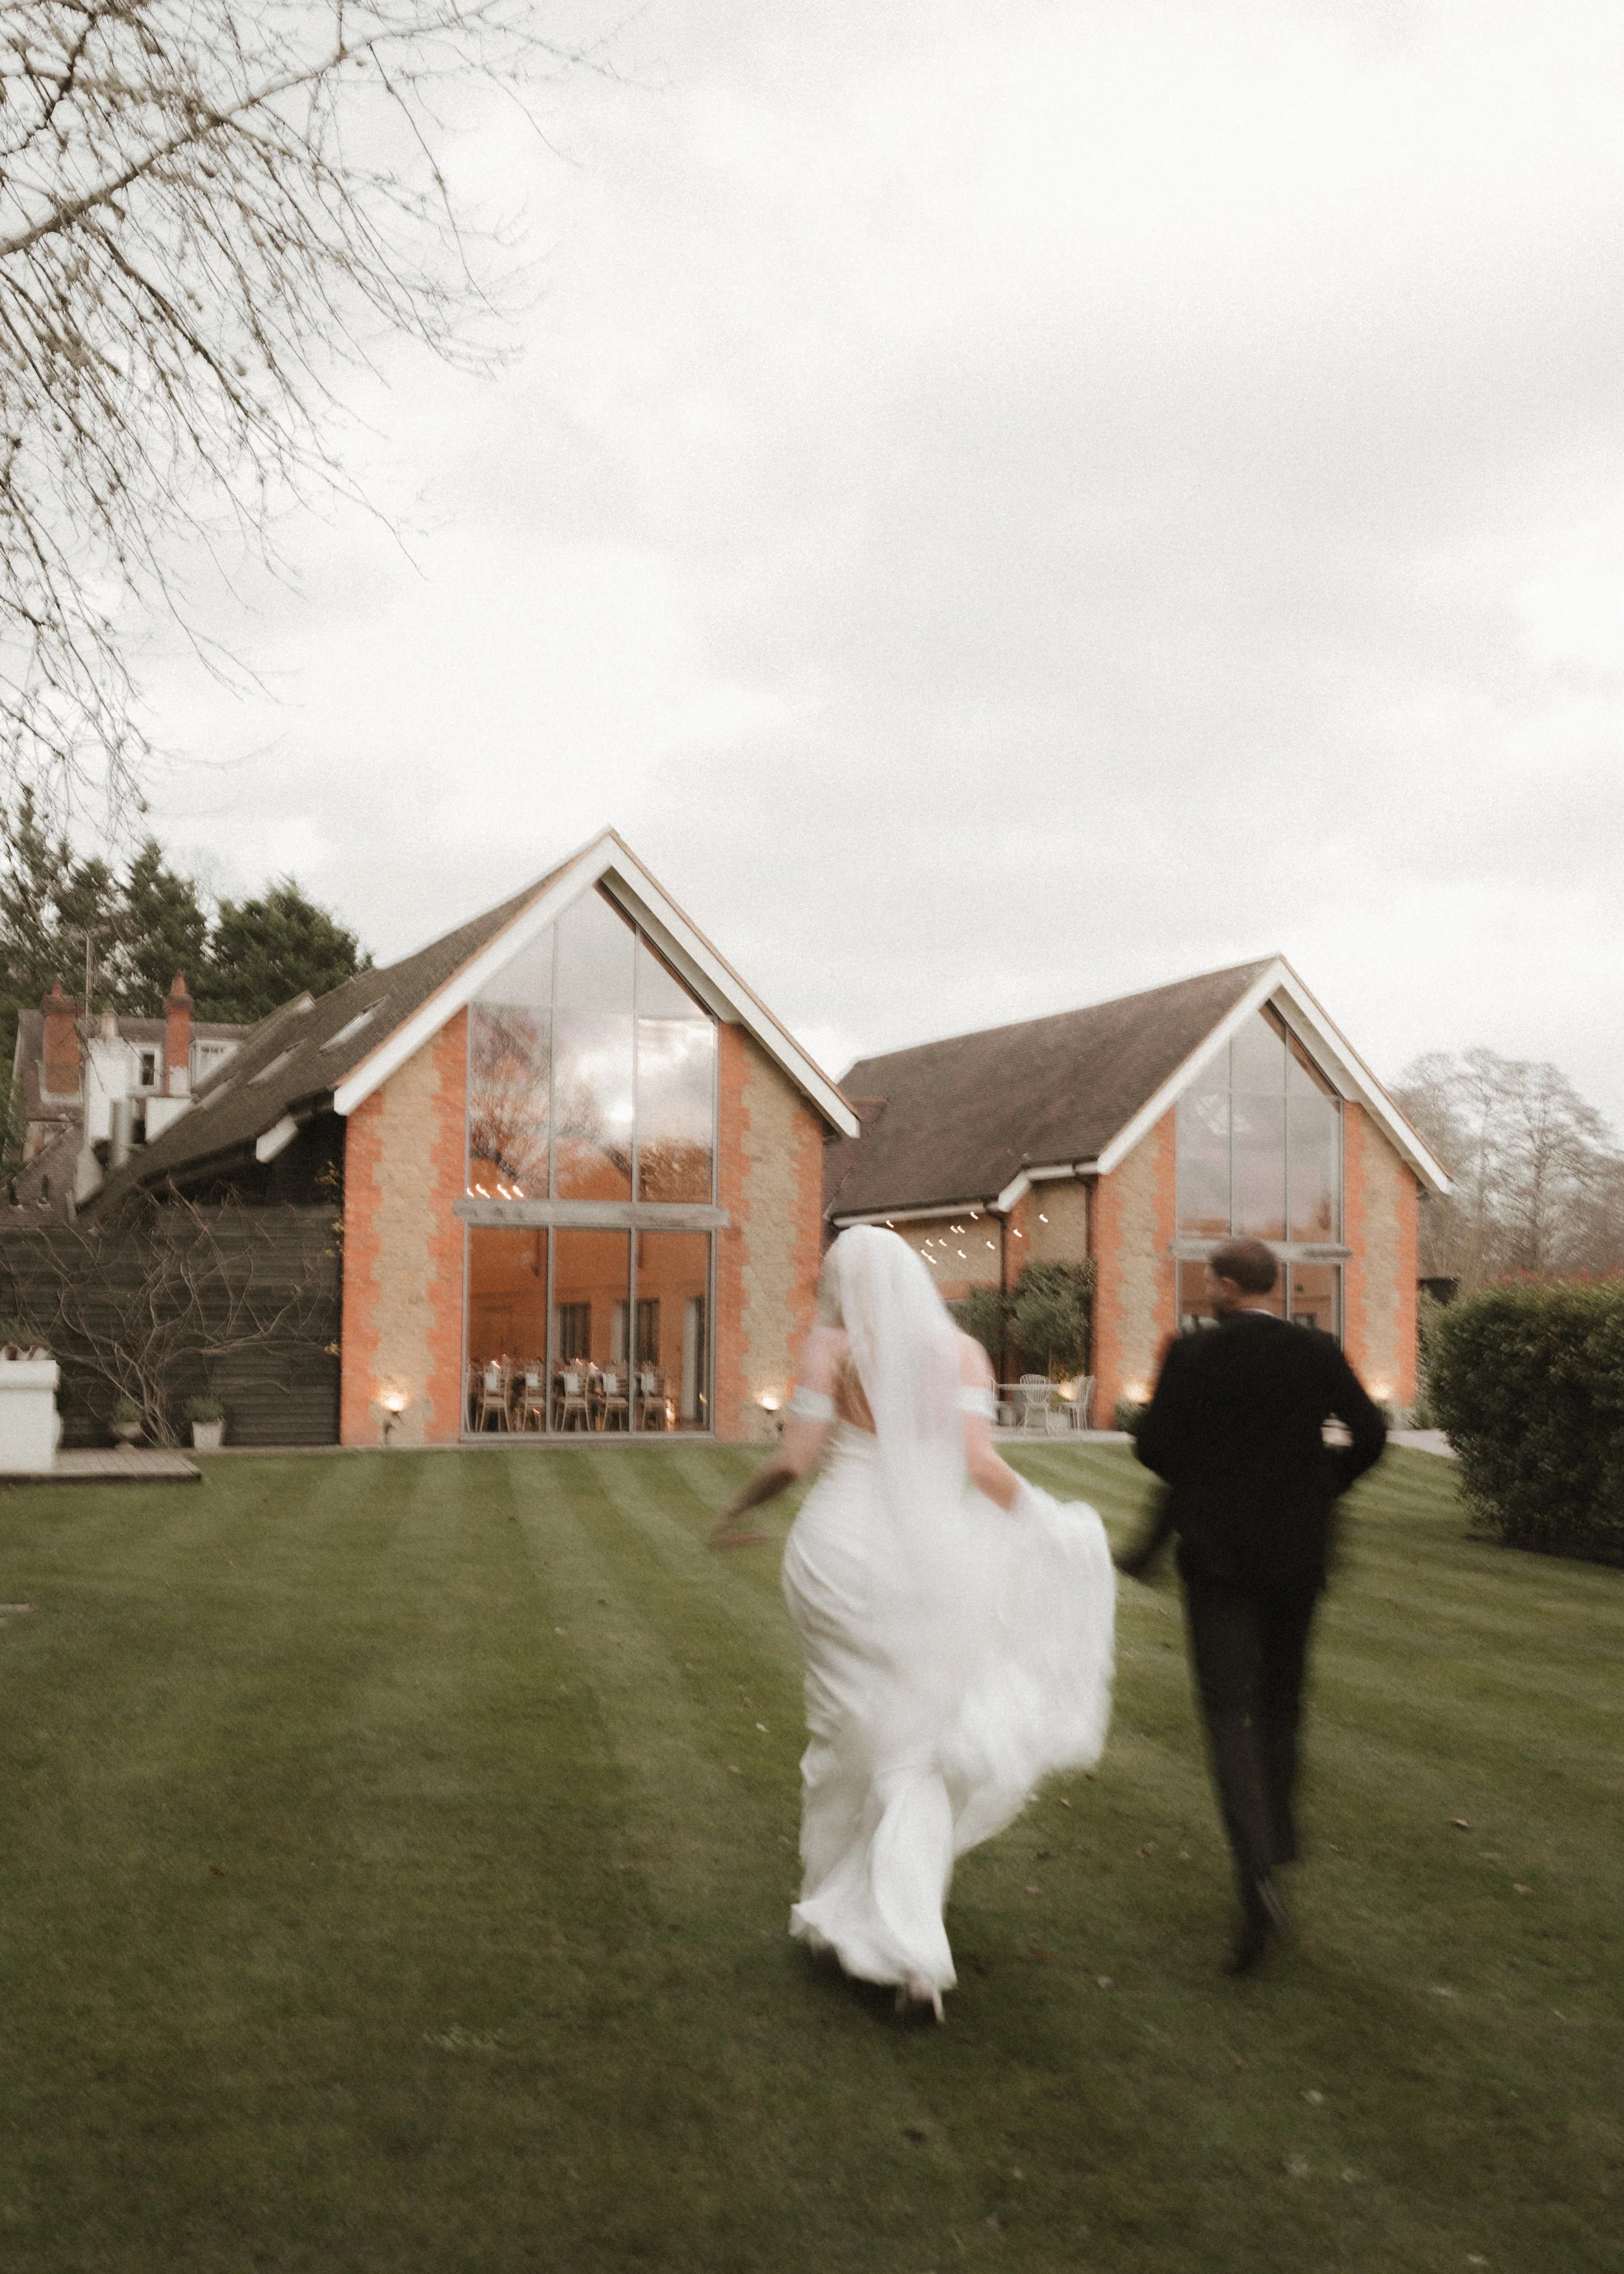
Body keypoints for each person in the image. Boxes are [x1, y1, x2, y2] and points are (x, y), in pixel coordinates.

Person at [710, 1226, 1115, 2019]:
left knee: (848, 1734)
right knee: (915, 1749)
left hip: (836, 1554)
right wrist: (1047, 1520)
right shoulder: (964, 1353)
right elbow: (982, 1466)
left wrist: (731, 1508)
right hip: (931, 1566)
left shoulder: (830, 1346)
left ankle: (858, 1917)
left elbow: (794, 1459)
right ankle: (909, 1954)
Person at [1121, 1237, 1386, 1973]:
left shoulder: (1191, 1353)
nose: (1205, 1287)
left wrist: (1204, 1472)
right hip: (1297, 1553)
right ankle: (1277, 1840)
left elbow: (1151, 1449)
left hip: (1218, 1557)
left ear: (1230, 1285)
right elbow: (1370, 1433)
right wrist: (1324, 1483)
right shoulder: (1315, 1350)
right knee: (1281, 1701)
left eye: (1210, 1277)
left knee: (1224, 1710)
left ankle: (1256, 1870)